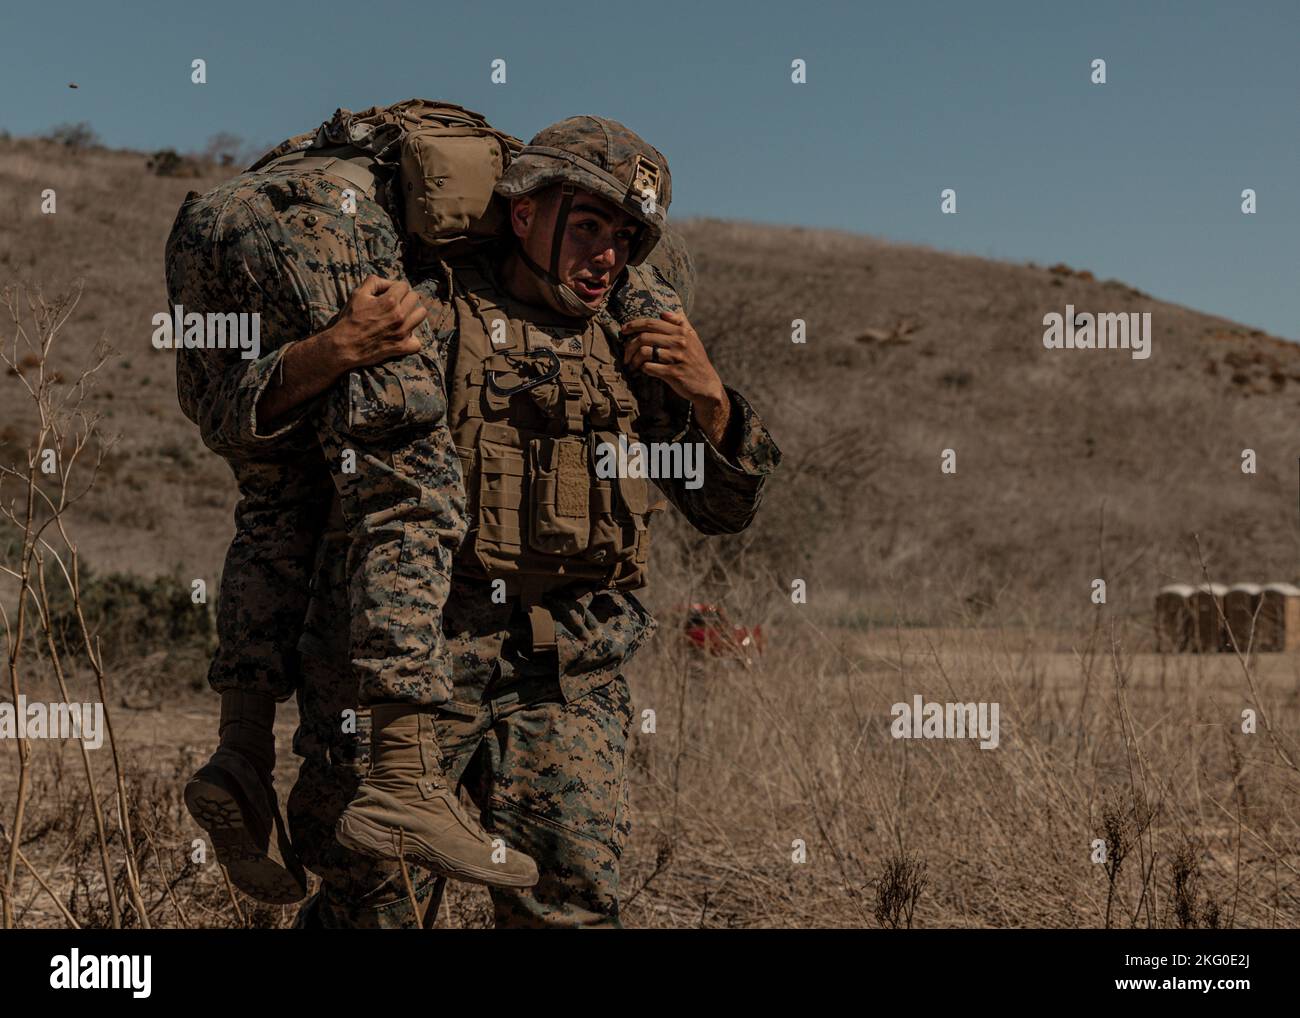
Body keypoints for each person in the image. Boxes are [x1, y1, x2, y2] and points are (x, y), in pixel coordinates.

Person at [252, 115, 782, 926]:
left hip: (572, 675)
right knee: (371, 905)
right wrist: (329, 353)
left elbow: (722, 510)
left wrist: (710, 399)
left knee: (569, 907)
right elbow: (279, 459)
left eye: (627, 236)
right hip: (419, 674)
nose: (607, 254)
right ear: (526, 212)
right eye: (591, 225)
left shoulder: (638, 348)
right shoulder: (423, 314)